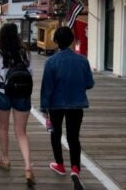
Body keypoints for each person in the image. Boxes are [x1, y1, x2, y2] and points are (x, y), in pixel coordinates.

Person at [40, 26, 94, 190]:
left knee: (56, 135)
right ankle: (75, 169)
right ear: (71, 41)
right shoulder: (83, 60)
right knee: (73, 138)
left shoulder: (51, 62)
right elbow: (89, 83)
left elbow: (46, 87)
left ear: (56, 41)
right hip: (76, 104)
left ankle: (60, 165)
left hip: (56, 105)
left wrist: (44, 107)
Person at [0, 23, 35, 186]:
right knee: (21, 132)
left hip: (3, 93)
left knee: (3, 128)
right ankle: (28, 167)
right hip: (22, 93)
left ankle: (5, 158)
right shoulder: (26, 53)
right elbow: (30, 74)